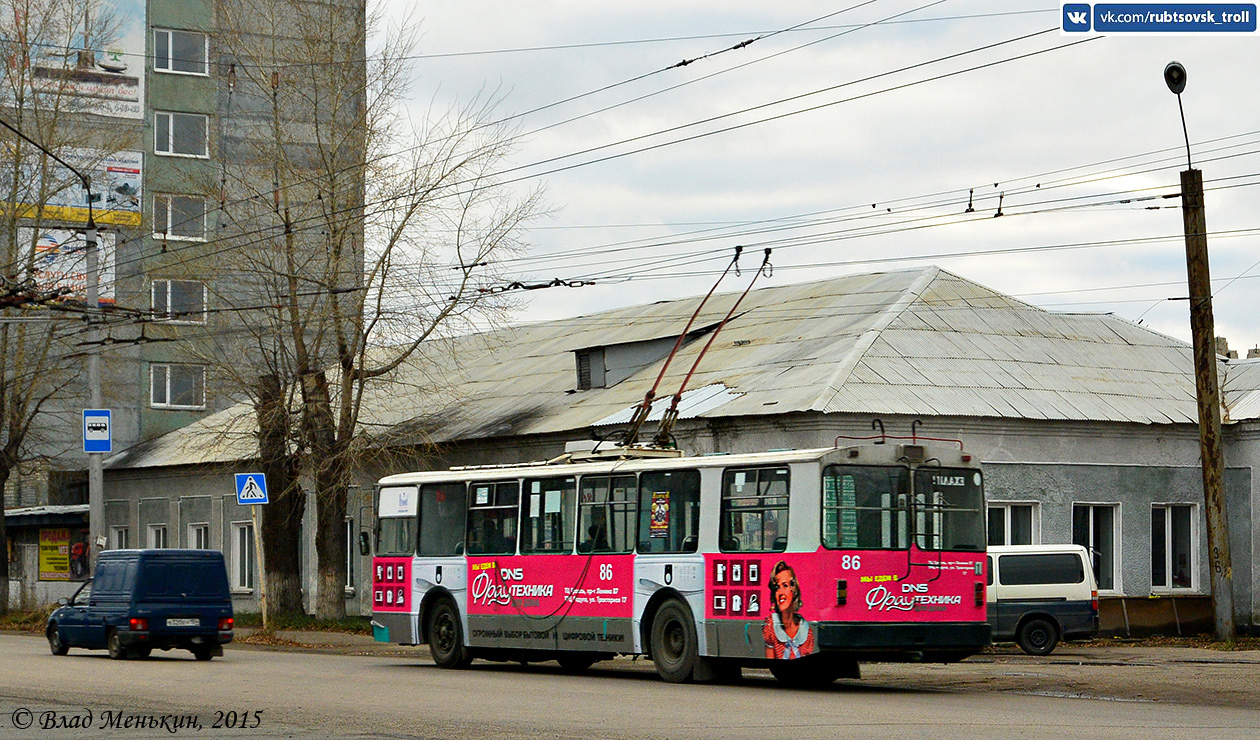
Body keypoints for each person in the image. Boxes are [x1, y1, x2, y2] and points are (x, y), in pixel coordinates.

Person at [763, 560, 814, 660]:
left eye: (785, 586)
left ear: (794, 590)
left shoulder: (806, 631)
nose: (780, 592)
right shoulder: (770, 626)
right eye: (777, 587)